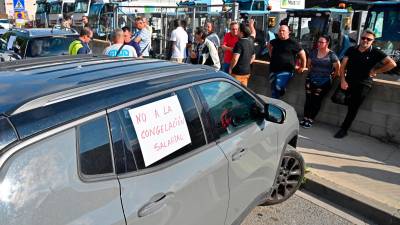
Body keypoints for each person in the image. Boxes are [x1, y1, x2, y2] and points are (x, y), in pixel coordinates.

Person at [334, 29, 396, 138]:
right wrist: (343, 80)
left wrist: (376, 71)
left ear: (373, 41)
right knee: (336, 98)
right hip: (348, 81)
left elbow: (392, 64)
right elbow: (343, 66)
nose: (365, 40)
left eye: (369, 39)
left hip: (364, 84)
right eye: (363, 38)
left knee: (353, 108)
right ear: (360, 38)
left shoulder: (376, 52)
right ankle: (352, 102)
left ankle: (344, 129)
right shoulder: (351, 50)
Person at [300, 35, 340, 129]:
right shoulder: (313, 52)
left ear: (327, 43)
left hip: (324, 82)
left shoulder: (331, 55)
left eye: (321, 42)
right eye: (318, 42)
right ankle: (305, 117)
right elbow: (309, 65)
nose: (319, 44)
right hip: (311, 79)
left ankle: (310, 119)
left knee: (316, 100)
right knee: (308, 99)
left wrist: (332, 76)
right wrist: (312, 74)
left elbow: (337, 66)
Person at [267, 25, 307, 99]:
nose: (281, 32)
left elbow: (303, 54)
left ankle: (282, 90)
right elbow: (268, 44)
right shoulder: (275, 41)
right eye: (280, 31)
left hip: (286, 70)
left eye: (283, 31)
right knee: (273, 91)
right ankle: (274, 105)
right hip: (273, 69)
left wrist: (303, 66)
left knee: (278, 85)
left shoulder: (293, 43)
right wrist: (271, 55)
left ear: (288, 32)